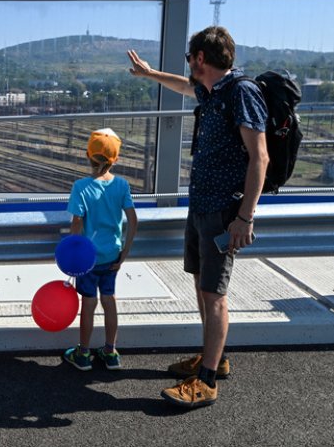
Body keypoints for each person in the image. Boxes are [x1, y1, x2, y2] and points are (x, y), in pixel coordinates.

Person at [128, 26, 268, 408]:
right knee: (201, 283)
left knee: (215, 294)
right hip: (202, 204)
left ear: (200, 58)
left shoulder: (241, 92)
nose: (188, 65)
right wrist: (149, 74)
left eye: (190, 58)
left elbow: (260, 157)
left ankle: (205, 382)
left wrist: (245, 217)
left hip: (224, 209)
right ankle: (213, 358)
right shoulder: (212, 90)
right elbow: (184, 86)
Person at [62, 128, 138, 372]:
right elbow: (133, 220)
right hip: (112, 255)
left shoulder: (81, 187)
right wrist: (125, 251)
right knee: (109, 300)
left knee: (89, 303)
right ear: (115, 159)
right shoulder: (122, 185)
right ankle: (110, 351)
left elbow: (76, 224)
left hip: (88, 260)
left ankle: (83, 354)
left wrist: (74, 257)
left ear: (87, 155)